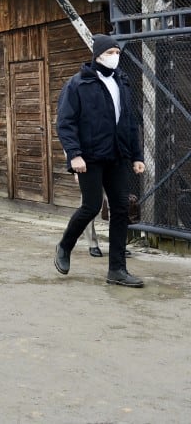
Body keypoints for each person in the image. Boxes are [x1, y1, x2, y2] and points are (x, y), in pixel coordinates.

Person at [54, 34, 146, 288]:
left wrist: (136, 156)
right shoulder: (78, 84)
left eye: (117, 53)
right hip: (89, 157)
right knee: (92, 206)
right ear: (97, 55)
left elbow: (129, 121)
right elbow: (65, 123)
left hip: (117, 156)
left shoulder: (122, 82)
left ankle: (117, 269)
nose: (115, 57)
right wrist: (74, 154)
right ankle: (65, 245)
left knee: (120, 209)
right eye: (110, 53)